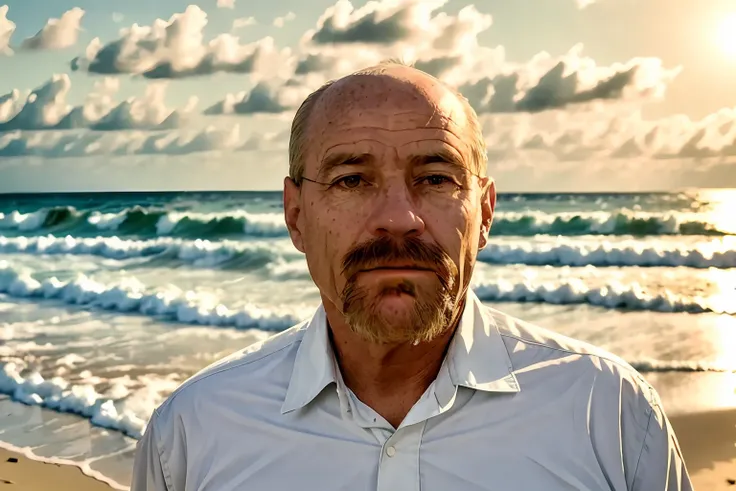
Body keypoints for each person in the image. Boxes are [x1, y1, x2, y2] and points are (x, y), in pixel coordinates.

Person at [131, 61, 692, 490]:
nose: (399, 218)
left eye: (437, 178)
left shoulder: (608, 413)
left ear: (485, 213)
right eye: (351, 180)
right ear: (295, 214)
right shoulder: (193, 433)